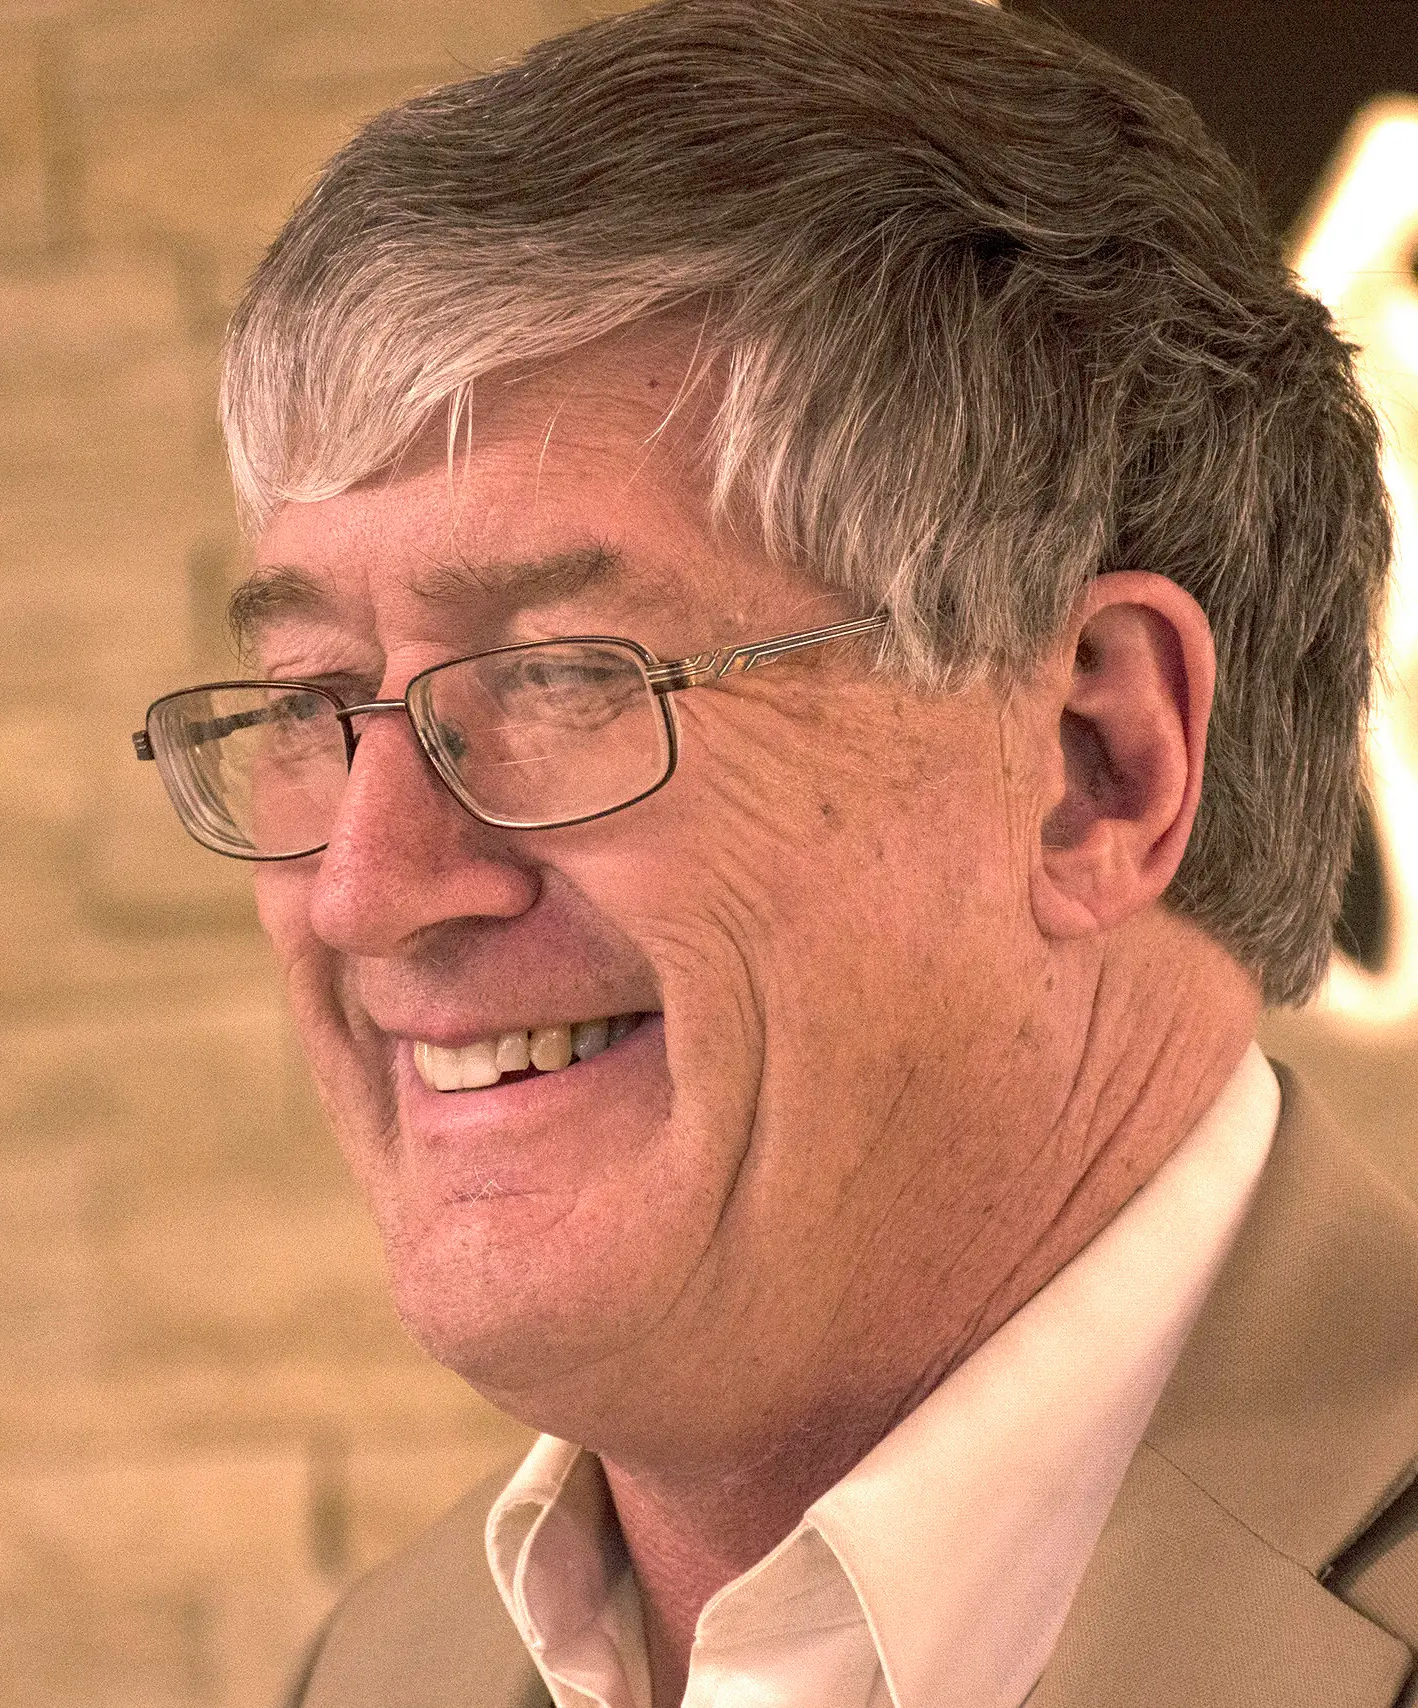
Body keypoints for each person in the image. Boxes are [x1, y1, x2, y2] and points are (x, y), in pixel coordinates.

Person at [131, 1, 1418, 1703]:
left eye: (556, 679)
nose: (367, 886)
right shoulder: (379, 1667)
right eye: (310, 700)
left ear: (1092, 765)